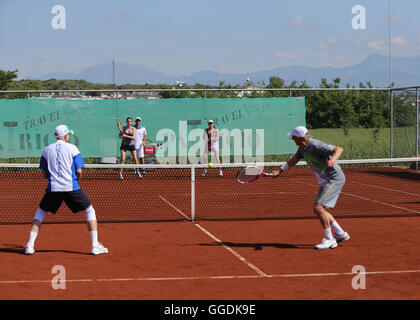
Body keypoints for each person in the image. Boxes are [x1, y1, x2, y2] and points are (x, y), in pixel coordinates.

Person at [24, 125, 108, 255]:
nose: (69, 136)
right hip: (71, 187)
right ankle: (94, 246)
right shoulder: (73, 148)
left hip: (53, 189)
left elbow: (45, 174)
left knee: (40, 213)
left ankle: (29, 245)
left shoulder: (46, 150)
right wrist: (76, 180)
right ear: (65, 135)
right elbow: (79, 171)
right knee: (89, 210)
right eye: (68, 134)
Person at [273, 126, 350, 250]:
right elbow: (294, 160)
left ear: (298, 138)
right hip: (325, 180)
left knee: (319, 208)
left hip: (333, 178)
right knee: (319, 210)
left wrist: (333, 161)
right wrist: (280, 170)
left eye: (293, 137)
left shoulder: (316, 145)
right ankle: (340, 234)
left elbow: (339, 149)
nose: (292, 139)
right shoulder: (302, 148)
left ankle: (329, 239)